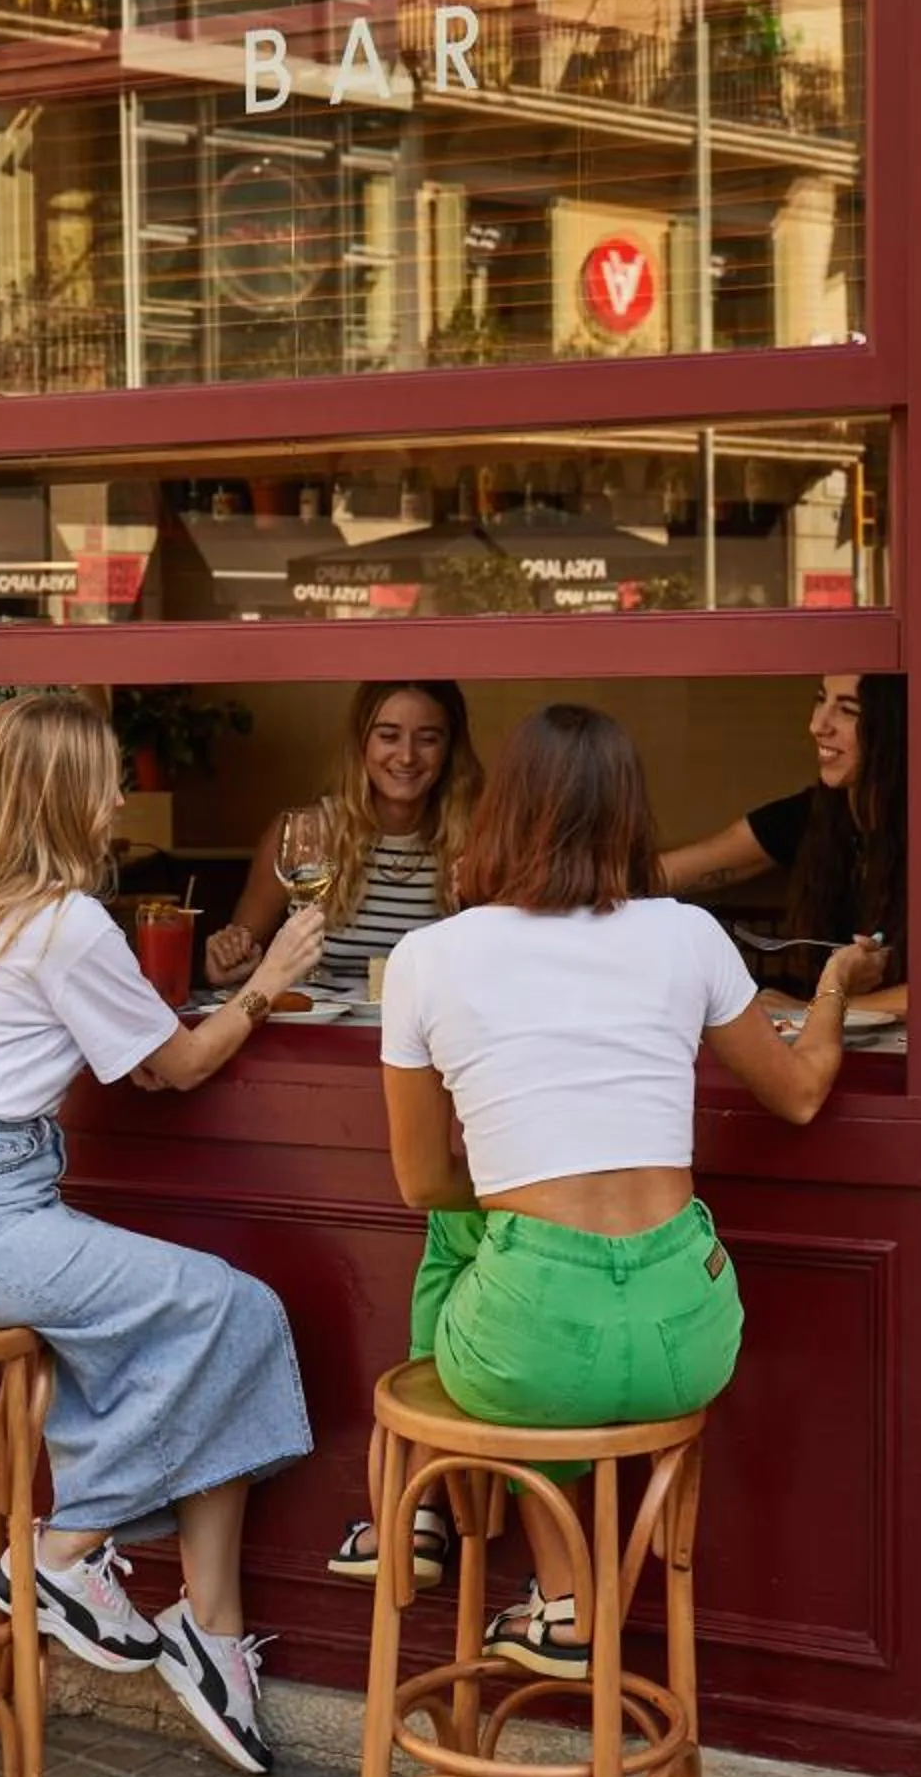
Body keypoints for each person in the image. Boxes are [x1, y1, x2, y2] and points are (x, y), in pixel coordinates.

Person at [359, 702, 881, 1668]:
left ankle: (435, 1518)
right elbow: (802, 1094)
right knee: (522, 1294)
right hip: (692, 1337)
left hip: (526, 1351)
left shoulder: (431, 957)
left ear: (502, 809)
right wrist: (838, 984)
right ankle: (557, 1599)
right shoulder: (688, 936)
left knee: (464, 1233)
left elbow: (422, 1178)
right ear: (631, 816)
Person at [0, 693, 326, 1776]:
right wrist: (266, 985)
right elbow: (169, 1067)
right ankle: (63, 1552)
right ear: (60, 794)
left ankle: (210, 1637)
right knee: (239, 1308)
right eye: (107, 778)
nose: (123, 797)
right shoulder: (61, 919)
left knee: (221, 1333)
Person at [204, 681, 482, 995]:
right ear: (361, 743)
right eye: (388, 736)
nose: (407, 756)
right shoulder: (305, 832)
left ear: (450, 749)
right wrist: (229, 956)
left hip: (426, 1037)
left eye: (428, 739)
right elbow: (242, 953)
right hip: (313, 1034)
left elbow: (493, 967)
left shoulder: (474, 839)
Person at [660, 672, 908, 1014]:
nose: (818, 725)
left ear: (894, 726)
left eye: (848, 710)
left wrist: (816, 1009)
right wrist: (580, 886)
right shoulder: (813, 815)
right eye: (821, 700)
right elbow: (689, 867)